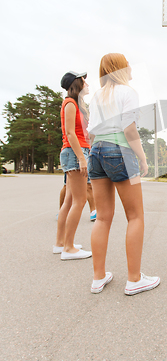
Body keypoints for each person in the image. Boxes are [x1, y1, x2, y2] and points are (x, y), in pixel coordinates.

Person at [87, 53, 160, 295]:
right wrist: (142, 157)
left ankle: (98, 278)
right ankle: (134, 279)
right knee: (135, 216)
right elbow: (129, 129)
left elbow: (90, 135)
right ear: (120, 68)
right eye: (127, 63)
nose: (131, 67)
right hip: (120, 152)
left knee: (102, 217)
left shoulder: (97, 96)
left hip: (96, 152)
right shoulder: (128, 92)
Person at [54, 71, 93, 260]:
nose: (87, 82)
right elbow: (70, 133)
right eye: (83, 79)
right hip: (74, 153)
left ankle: (61, 243)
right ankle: (68, 248)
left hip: (75, 152)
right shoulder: (70, 103)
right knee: (80, 200)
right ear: (76, 84)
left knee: (69, 201)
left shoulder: (76, 104)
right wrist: (82, 158)